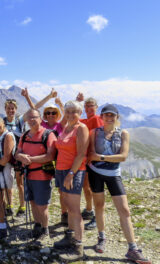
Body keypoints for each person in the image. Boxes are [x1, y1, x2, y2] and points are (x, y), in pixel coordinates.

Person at [87, 104, 151, 264]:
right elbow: (90, 154)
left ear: (117, 117)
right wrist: (101, 158)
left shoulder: (123, 133)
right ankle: (101, 237)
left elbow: (123, 156)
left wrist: (101, 157)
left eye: (112, 115)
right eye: (106, 115)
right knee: (99, 206)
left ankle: (132, 248)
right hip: (95, 173)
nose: (109, 118)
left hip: (113, 174)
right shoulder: (94, 132)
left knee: (124, 210)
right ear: (101, 117)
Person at [22, 87, 68, 225]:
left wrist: (60, 103)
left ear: (57, 114)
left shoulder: (60, 126)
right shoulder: (43, 124)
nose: (50, 115)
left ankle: (64, 213)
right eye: (48, 113)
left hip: (59, 160)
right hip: (48, 163)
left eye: (53, 113)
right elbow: (33, 111)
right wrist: (27, 97)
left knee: (61, 191)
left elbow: (68, 115)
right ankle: (42, 220)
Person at [53, 101, 89, 261]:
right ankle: (69, 236)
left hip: (73, 172)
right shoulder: (66, 127)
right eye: (67, 111)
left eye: (74, 112)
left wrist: (71, 174)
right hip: (61, 170)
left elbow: (81, 154)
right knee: (67, 206)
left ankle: (78, 246)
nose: (70, 114)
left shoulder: (81, 128)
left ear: (80, 113)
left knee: (74, 209)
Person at [15, 109, 57, 247]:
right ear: (26, 120)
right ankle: (37, 226)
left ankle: (45, 230)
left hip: (42, 176)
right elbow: (17, 153)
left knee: (42, 205)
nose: (32, 120)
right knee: (32, 202)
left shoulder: (48, 135)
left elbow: (50, 156)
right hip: (28, 175)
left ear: (40, 119)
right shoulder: (25, 135)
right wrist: (20, 157)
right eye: (29, 118)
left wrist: (30, 159)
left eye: (35, 117)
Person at [76, 93, 105, 230]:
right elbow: (73, 117)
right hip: (86, 159)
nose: (88, 108)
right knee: (86, 186)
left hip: (93, 159)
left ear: (96, 107)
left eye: (91, 106)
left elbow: (100, 138)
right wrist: (77, 102)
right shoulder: (85, 121)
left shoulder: (97, 119)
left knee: (94, 188)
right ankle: (89, 210)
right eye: (86, 106)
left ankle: (95, 217)